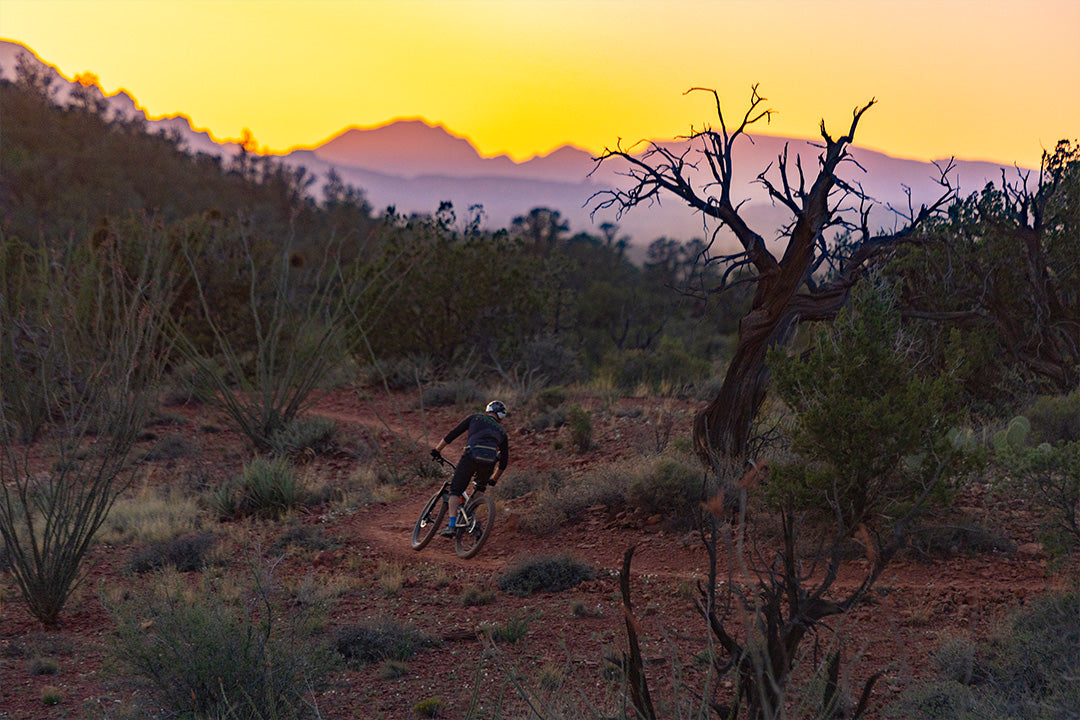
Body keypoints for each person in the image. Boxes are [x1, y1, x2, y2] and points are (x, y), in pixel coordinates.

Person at [431, 400, 509, 537]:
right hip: (489, 462)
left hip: (471, 456)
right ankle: (471, 517)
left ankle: (451, 526)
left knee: (455, 491)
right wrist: (494, 479)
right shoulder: (502, 432)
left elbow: (453, 434)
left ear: (487, 411)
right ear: (501, 418)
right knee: (479, 488)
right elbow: (504, 461)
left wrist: (437, 450)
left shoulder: (476, 418)